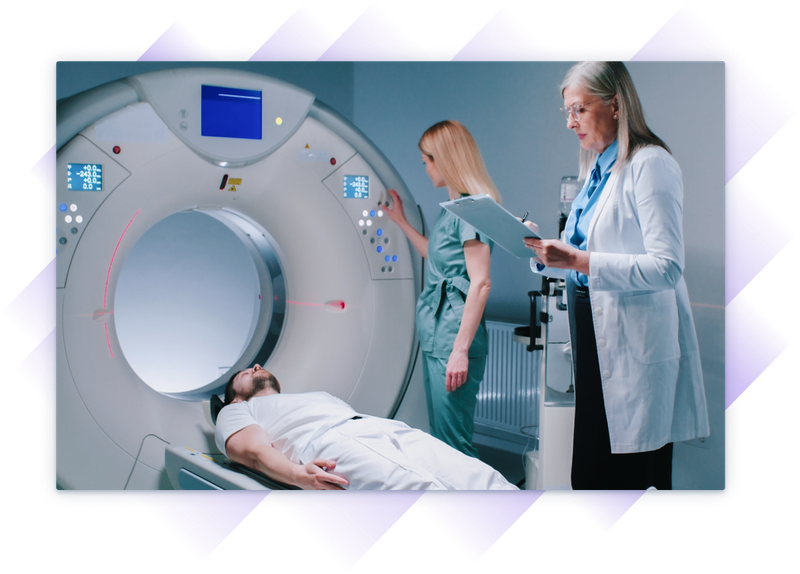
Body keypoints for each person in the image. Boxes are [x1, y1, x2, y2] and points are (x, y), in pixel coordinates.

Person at [523, 62, 710, 490]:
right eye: (566, 112)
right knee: (589, 476)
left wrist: (579, 261)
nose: (570, 123)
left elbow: (666, 266)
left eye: (579, 110)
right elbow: (579, 249)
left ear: (616, 104)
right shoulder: (596, 171)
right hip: (593, 339)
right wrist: (537, 248)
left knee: (627, 478)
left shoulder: (651, 164)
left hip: (633, 348)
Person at [382, 120, 500, 458]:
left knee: (455, 446)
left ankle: (475, 510)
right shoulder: (454, 210)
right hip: (437, 335)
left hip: (453, 341)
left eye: (427, 160)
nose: (425, 167)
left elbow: (481, 282)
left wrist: (460, 351)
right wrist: (401, 221)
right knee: (442, 440)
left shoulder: (473, 210)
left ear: (444, 159)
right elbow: (436, 256)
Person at [215, 364, 518, 490]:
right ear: (234, 397)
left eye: (257, 365)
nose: (256, 367)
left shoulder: (314, 396)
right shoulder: (238, 411)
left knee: (482, 477)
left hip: (382, 428)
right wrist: (298, 475)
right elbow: (254, 452)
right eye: (245, 371)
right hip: (330, 442)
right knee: (419, 488)